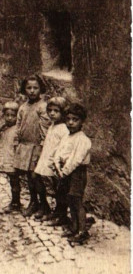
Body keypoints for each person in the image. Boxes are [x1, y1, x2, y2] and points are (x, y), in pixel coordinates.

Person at [51, 102, 92, 244]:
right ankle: (74, 227)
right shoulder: (66, 137)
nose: (71, 123)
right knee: (68, 199)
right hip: (65, 171)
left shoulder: (83, 140)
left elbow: (76, 159)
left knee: (76, 200)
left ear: (82, 121)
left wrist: (65, 172)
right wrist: (57, 165)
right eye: (68, 119)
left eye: (75, 120)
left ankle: (82, 231)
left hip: (76, 173)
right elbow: (58, 152)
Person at [13, 73, 50, 217]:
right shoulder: (23, 107)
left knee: (36, 176)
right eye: (29, 88)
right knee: (29, 177)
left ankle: (44, 204)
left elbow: (45, 129)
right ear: (24, 89)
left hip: (36, 146)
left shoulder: (43, 107)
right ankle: (33, 201)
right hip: (25, 145)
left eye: (35, 88)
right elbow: (19, 126)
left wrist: (42, 146)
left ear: (41, 89)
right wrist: (17, 142)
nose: (32, 91)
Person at [34, 96, 69, 222]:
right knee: (37, 180)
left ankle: (60, 214)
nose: (52, 113)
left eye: (56, 111)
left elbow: (63, 148)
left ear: (63, 112)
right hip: (45, 159)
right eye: (50, 110)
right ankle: (45, 208)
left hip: (53, 162)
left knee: (58, 189)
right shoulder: (52, 126)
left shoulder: (64, 129)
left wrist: (56, 162)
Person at [0, 101, 20, 213]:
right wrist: (0, 129)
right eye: (7, 115)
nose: (9, 118)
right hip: (7, 158)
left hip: (13, 159)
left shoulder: (17, 129)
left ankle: (16, 202)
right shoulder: (4, 128)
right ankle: (14, 201)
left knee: (15, 181)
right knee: (12, 181)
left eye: (13, 116)